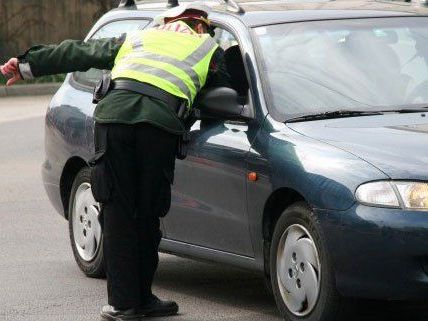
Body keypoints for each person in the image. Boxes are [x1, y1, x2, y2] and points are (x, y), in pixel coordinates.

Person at [1, 3, 231, 320]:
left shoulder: (139, 37)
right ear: (201, 26)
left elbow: (80, 52)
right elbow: (231, 87)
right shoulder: (208, 47)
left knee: (118, 212)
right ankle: (139, 299)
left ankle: (127, 304)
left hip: (112, 121)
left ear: (167, 22)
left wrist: (26, 65)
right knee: (148, 213)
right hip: (158, 127)